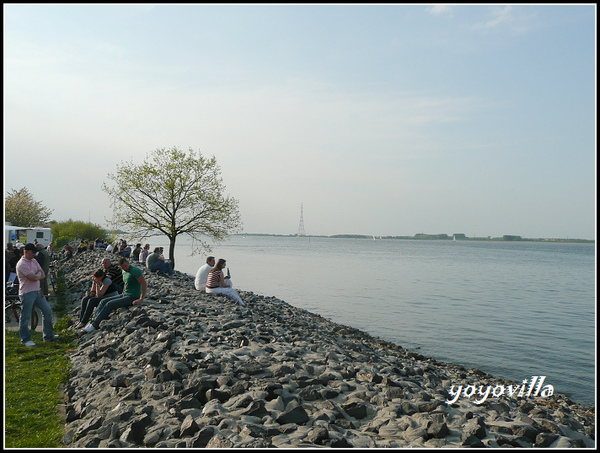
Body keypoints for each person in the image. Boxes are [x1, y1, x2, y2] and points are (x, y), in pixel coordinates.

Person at [81, 257, 147, 333]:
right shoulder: (123, 271)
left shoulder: (135, 271)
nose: (125, 268)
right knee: (103, 301)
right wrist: (123, 292)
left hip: (133, 296)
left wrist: (141, 299)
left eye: (126, 266)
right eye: (123, 267)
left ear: (128, 262)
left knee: (110, 304)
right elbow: (126, 283)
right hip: (125, 294)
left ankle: (94, 325)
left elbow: (143, 283)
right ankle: (92, 322)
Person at [15, 243, 57, 346]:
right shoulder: (22, 264)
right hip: (27, 293)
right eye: (32, 252)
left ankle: (48, 335)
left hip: (37, 291)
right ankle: (25, 339)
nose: (34, 254)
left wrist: (36, 275)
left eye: (35, 252)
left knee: (47, 311)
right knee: (25, 316)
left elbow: (42, 274)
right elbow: (33, 277)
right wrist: (37, 275)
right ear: (26, 251)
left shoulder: (34, 261)